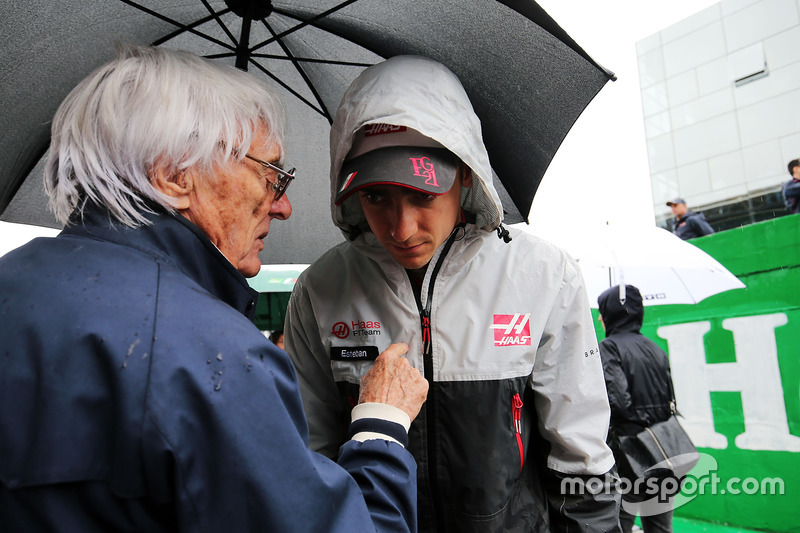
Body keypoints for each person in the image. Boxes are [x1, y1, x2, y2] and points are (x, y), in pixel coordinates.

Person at [0, 45, 429, 532]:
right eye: (272, 174)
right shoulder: (213, 352)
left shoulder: (12, 284)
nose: (283, 206)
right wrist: (380, 427)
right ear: (173, 176)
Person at [284, 55, 620, 532]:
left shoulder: (543, 273)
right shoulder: (320, 289)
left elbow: (580, 454)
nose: (401, 228)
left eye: (422, 194)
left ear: (465, 172)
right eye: (376, 196)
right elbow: (310, 458)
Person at [597, 284, 676, 533]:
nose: (599, 317)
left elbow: (618, 402)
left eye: (602, 311)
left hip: (628, 453)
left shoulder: (609, 347)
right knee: (660, 526)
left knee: (619, 523)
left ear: (611, 313)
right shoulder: (655, 348)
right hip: (661, 450)